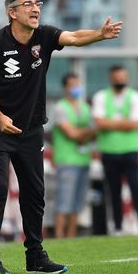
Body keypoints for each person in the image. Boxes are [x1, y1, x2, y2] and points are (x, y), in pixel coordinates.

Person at [0, 0, 122, 274]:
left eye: (38, 3)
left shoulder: (44, 36)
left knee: (35, 193)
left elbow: (75, 37)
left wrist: (99, 34)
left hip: (30, 131)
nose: (35, 8)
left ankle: (35, 257)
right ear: (12, 12)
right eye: (27, 4)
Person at [92, 65, 138, 236]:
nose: (119, 80)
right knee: (113, 190)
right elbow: (100, 122)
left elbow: (136, 123)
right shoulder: (101, 96)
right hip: (109, 151)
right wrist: (124, 123)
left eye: (122, 77)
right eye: (116, 77)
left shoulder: (135, 96)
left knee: (135, 187)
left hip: (130, 150)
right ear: (111, 78)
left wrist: (111, 123)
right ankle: (118, 226)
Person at [52, 73, 96, 238]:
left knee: (77, 202)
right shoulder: (60, 107)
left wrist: (83, 133)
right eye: (72, 85)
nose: (76, 88)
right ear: (65, 87)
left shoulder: (85, 107)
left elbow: (89, 134)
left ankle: (71, 236)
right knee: (64, 202)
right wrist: (88, 132)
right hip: (66, 160)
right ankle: (59, 236)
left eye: (78, 84)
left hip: (83, 159)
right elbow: (71, 133)